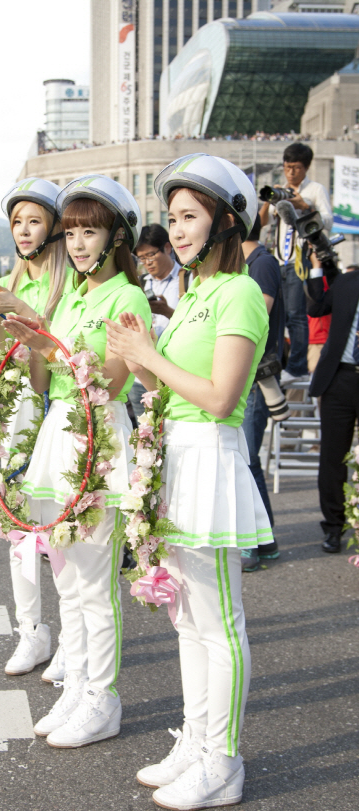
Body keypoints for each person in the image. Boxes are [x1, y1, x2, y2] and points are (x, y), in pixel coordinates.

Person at [105, 154, 272, 809]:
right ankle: (197, 740)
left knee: (219, 622)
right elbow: (170, 390)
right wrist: (138, 359)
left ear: (225, 221)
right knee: (188, 621)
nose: (175, 230)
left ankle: (223, 761)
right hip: (178, 457)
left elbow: (221, 394)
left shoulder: (238, 293)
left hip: (212, 458)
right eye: (171, 217)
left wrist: (148, 356)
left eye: (190, 216)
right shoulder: (195, 293)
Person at [4, 175, 151, 749]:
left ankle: (103, 698)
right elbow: (46, 381)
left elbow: (110, 385)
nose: (80, 242)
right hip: (57, 434)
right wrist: (27, 337)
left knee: (95, 585)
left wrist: (46, 341)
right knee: (67, 581)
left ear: (116, 236)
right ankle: (78, 688)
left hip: (97, 438)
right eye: (72, 232)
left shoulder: (127, 297)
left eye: (91, 231)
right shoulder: (73, 296)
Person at [0, 178, 71, 680]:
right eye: (17, 222)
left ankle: (75, 638)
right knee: (17, 531)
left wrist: (23, 318)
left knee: (64, 530)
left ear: (53, 226)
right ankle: (32, 632)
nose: (24, 231)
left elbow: (64, 355)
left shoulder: (68, 281)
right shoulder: (10, 280)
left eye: (34, 220)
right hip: (15, 413)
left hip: (58, 413)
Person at [260, 143, 332, 388]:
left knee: (296, 315)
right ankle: (279, 362)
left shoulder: (315, 189)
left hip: (300, 259)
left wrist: (304, 206)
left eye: (296, 168)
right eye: (287, 167)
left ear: (306, 167)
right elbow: (261, 223)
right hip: (278, 258)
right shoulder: (282, 190)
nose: (291, 173)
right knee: (275, 315)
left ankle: (298, 366)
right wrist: (270, 199)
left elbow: (328, 222)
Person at [240, 214, 284, 572]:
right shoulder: (250, 264)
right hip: (247, 375)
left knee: (248, 459)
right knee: (247, 459)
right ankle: (264, 541)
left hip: (256, 374)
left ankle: (259, 542)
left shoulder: (263, 263)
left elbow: (257, 318)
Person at [306, 265, 359, 553]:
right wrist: (316, 266)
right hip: (340, 378)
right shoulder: (347, 281)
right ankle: (333, 527)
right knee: (333, 458)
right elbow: (316, 308)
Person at [129, 224, 182, 418]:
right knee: (145, 439)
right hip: (139, 378)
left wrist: (167, 312)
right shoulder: (139, 283)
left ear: (167, 248)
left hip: (174, 376)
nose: (147, 263)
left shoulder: (188, 279)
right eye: (142, 258)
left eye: (151, 255)